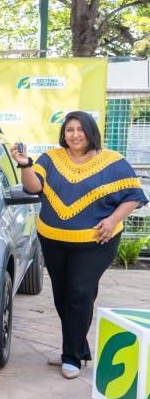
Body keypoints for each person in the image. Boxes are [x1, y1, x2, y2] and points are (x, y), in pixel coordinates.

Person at [15, 111, 146, 379]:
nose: (74, 135)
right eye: (69, 130)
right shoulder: (51, 158)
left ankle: (71, 357)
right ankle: (76, 348)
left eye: (80, 129)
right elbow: (32, 187)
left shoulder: (113, 162)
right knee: (63, 296)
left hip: (96, 242)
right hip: (53, 240)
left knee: (80, 293)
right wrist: (25, 164)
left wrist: (111, 221)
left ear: (90, 131)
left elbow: (134, 196)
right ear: (63, 133)